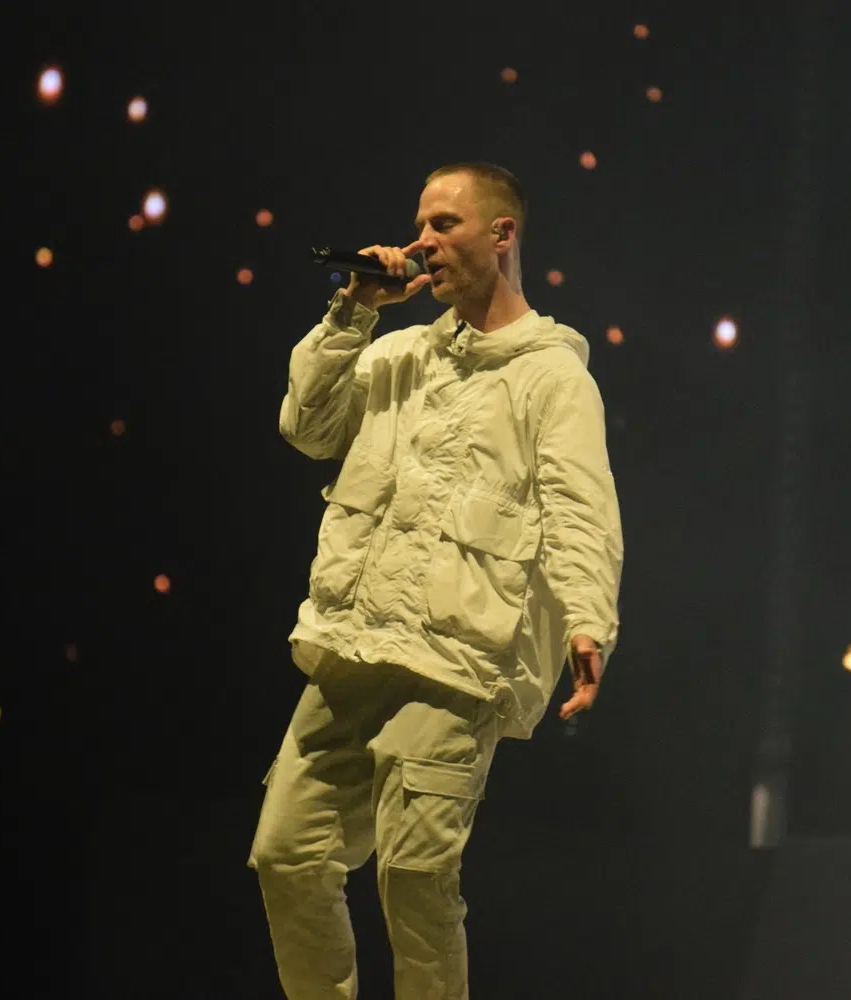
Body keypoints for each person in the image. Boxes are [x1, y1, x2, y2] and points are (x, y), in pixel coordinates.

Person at [248, 161, 624, 999]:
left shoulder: (552, 378)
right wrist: (352, 311)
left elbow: (580, 509)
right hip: (355, 646)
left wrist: (586, 620)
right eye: (420, 224)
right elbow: (307, 428)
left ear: (502, 235)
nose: (421, 242)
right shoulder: (397, 355)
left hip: (458, 660)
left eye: (444, 224)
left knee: (415, 875)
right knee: (286, 853)